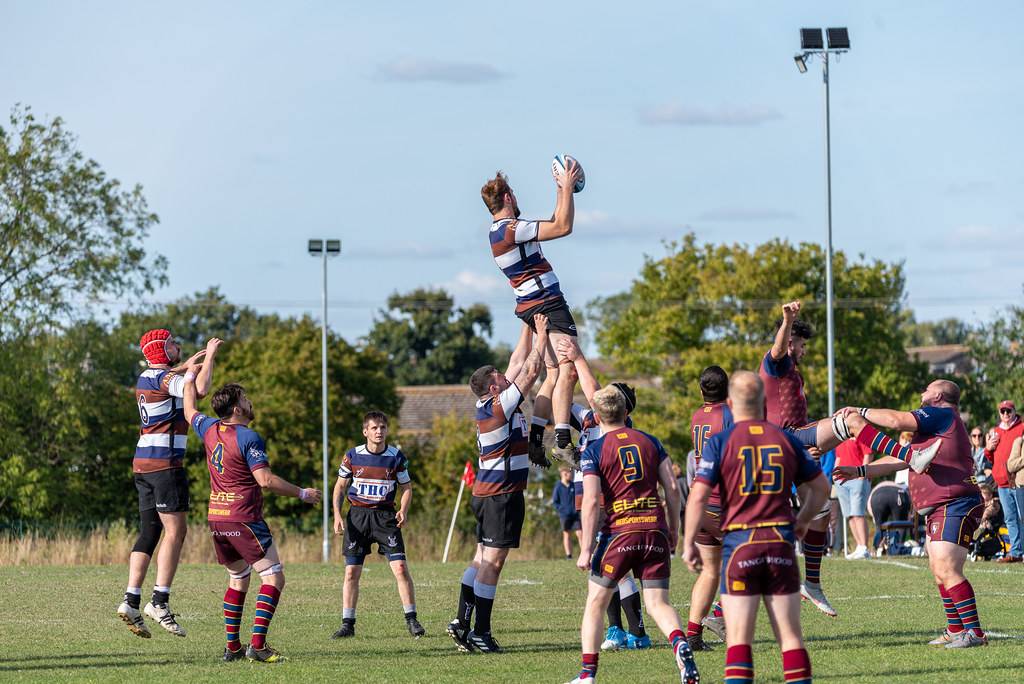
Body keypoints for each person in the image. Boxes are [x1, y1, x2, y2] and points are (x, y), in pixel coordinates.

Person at [684, 370, 830, 684]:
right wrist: (803, 522)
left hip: (740, 546)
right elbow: (821, 488)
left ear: (732, 404)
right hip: (780, 543)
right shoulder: (787, 439)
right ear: (764, 402)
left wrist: (686, 544)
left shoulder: (720, 441)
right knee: (790, 638)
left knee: (739, 642)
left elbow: (697, 496)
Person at [832, 379, 987, 648]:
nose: (921, 393)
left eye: (926, 390)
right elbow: (901, 457)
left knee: (947, 568)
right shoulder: (934, 429)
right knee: (939, 571)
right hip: (945, 504)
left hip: (956, 502)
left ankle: (974, 632)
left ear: (937, 396)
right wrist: (859, 471)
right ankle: (955, 630)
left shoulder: (942, 413)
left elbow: (894, 420)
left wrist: (860, 411)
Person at [182, 372, 322, 663]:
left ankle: (232, 648)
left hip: (217, 518)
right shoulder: (248, 436)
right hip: (243, 518)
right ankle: (257, 647)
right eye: (245, 399)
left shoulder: (208, 428)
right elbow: (266, 480)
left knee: (239, 578)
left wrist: (189, 377)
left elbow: (189, 410)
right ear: (237, 410)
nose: (250, 402)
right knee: (274, 578)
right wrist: (303, 494)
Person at [565, 386, 699, 684]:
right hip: (654, 530)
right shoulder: (651, 442)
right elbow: (673, 489)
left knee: (596, 602)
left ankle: (588, 675)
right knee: (657, 604)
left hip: (619, 534)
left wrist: (586, 549)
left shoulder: (595, 449)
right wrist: (674, 531)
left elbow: (589, 501)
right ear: (627, 413)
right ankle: (679, 643)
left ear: (597, 419)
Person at [447, 315, 550, 653]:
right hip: (500, 494)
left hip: (487, 493)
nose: (508, 377)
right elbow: (531, 369)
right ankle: (480, 632)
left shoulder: (494, 400)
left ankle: (462, 622)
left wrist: (528, 322)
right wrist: (544, 335)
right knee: (493, 562)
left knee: (480, 558)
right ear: (494, 388)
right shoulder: (498, 406)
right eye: (501, 378)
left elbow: (518, 361)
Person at [117, 331, 220, 639]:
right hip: (165, 465)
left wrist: (184, 366)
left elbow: (170, 378)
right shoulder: (166, 381)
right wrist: (210, 356)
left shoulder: (145, 377)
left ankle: (131, 600)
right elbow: (198, 390)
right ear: (162, 351)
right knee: (177, 531)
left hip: (142, 464)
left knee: (149, 532)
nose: (179, 347)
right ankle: (159, 602)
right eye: (173, 344)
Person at [481, 164, 584, 469]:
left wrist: (560, 188)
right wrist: (567, 185)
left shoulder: (499, 231)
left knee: (552, 375)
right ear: (509, 196)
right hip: (547, 303)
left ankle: (536, 440)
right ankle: (564, 443)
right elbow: (564, 227)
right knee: (569, 369)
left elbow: (554, 221)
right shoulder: (512, 228)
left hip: (531, 305)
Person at [558, 338, 649, 652]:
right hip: (588, 490)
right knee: (604, 564)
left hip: (606, 494)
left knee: (611, 565)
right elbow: (564, 399)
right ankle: (621, 630)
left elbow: (593, 391)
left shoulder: (616, 422)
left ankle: (632, 632)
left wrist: (578, 356)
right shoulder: (589, 418)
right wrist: (557, 372)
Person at [758, 301, 846, 616]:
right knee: (849, 420)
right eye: (803, 344)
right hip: (782, 442)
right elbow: (777, 350)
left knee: (821, 507)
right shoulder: (777, 363)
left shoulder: (792, 372)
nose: (804, 351)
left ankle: (811, 582)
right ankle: (907, 454)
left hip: (793, 446)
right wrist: (787, 320)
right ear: (791, 341)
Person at [329, 411, 423, 640]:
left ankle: (412, 620)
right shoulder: (352, 456)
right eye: (374, 428)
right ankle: (347, 625)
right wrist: (337, 515)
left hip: (385, 517)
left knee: (400, 569)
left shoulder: (396, 457)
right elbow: (340, 486)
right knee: (351, 572)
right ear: (365, 432)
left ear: (387, 430)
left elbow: (407, 488)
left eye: (382, 427)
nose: (379, 431)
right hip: (357, 517)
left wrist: (403, 509)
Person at [685, 365, 733, 652]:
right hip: (721, 502)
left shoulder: (696, 416)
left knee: (711, 570)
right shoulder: (729, 415)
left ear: (702, 391)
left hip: (698, 502)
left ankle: (693, 636)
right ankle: (719, 614)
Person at [983, 400, 1023, 563]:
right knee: (1010, 518)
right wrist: (988, 448)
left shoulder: (1021, 428)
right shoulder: (997, 431)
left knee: (1022, 517)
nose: (1006, 414)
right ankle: (1015, 551)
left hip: (1018, 481)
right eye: (1003, 411)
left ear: (1014, 412)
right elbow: (990, 457)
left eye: (1009, 411)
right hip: (1001, 483)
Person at [833, 438, 874, 559]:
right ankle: (859, 546)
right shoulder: (839, 438)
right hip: (841, 481)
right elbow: (838, 458)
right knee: (849, 515)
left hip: (857, 478)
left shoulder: (859, 433)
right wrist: (835, 477)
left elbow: (868, 455)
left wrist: (862, 475)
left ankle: (865, 548)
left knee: (858, 513)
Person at [867, 479, 912, 553]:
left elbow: (874, 517)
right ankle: (899, 548)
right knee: (901, 524)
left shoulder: (874, 492)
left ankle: (879, 549)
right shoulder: (904, 490)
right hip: (898, 493)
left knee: (879, 525)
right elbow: (907, 521)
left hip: (877, 495)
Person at [552, 466, 582, 559]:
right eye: (571, 474)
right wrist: (563, 510)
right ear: (565, 474)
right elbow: (555, 502)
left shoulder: (573, 485)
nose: (572, 476)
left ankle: (584, 553)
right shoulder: (558, 486)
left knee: (580, 533)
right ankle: (569, 556)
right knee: (567, 534)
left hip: (575, 515)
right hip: (564, 516)